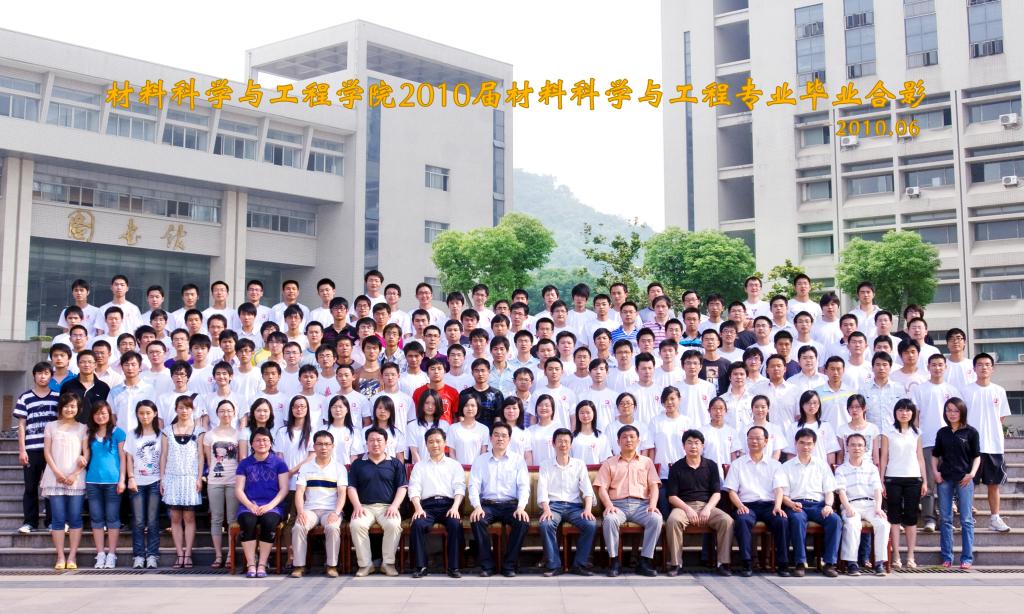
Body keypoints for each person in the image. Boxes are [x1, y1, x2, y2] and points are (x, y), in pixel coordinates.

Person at [594, 425, 663, 577]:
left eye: (632, 437)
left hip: (642, 506)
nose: (628, 440)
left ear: (638, 441)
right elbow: (602, 488)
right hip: (617, 506)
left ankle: (645, 561)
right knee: (610, 519)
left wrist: (652, 505)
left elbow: (654, 486)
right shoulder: (609, 463)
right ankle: (614, 561)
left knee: (656, 519)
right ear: (618, 441)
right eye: (624, 437)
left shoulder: (646, 462)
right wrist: (609, 505)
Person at [664, 429, 734, 577]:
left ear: (702, 446)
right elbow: (672, 497)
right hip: (683, 507)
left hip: (707, 506)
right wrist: (687, 509)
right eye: (689, 443)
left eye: (697, 443)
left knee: (727, 520)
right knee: (673, 520)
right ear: (683, 446)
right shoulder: (677, 467)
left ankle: (723, 563)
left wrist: (707, 508)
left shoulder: (711, 465)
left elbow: (717, 493)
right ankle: (676, 564)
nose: (693, 446)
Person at [776, 428, 841, 577]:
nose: (805, 447)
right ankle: (800, 563)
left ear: (814, 445)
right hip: (796, 505)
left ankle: (829, 563)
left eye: (809, 443)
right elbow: (783, 494)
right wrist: (791, 504)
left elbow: (829, 491)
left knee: (835, 520)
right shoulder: (786, 466)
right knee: (797, 520)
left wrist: (828, 505)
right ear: (795, 443)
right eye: (802, 443)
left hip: (818, 505)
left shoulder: (822, 465)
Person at [724, 426, 789, 577]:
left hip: (769, 505)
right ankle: (746, 563)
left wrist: (778, 506)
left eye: (758, 438)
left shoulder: (775, 465)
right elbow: (731, 490)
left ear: (766, 441)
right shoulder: (737, 464)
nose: (754, 441)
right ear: (746, 441)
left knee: (782, 520)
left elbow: (779, 488)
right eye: (751, 438)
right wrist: (740, 506)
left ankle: (783, 563)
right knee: (742, 520)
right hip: (747, 505)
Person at [469, 422, 531, 577]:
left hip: (511, 505)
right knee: (477, 520)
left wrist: (521, 507)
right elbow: (473, 486)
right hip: (487, 505)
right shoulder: (480, 460)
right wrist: (477, 506)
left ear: (509, 439)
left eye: (504, 436)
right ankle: (487, 566)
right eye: (496, 435)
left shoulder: (518, 460)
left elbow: (524, 486)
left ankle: (509, 565)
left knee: (522, 522)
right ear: (491, 438)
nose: (500, 439)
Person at [961, 353, 1012, 533]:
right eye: (980, 364)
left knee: (994, 484)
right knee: (968, 484)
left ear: (993, 368)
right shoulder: (965, 391)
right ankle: (966, 518)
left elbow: (1001, 417)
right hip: (970, 446)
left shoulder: (999, 391)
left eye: (987, 364)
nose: (984, 367)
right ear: (974, 368)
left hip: (993, 445)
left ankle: (995, 518)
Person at [348, 427, 408, 577]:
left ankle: (388, 564)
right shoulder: (358, 464)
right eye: (372, 440)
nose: (375, 443)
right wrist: (357, 506)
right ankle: (365, 565)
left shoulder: (395, 463)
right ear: (366, 443)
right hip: (364, 507)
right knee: (357, 525)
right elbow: (351, 487)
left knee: (393, 525)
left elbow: (402, 487)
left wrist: (395, 506)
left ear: (386, 443)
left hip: (388, 507)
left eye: (379, 440)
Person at [538, 428, 597, 577]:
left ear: (571, 444)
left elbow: (587, 490)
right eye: (559, 441)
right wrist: (546, 510)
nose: (563, 444)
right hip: (553, 507)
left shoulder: (579, 464)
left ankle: (579, 564)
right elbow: (542, 490)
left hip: (574, 507)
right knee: (546, 524)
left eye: (566, 441)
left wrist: (588, 510)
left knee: (590, 524)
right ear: (553, 444)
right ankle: (554, 566)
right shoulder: (545, 465)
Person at [408, 427, 466, 578]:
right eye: (431, 442)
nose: (435, 445)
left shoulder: (454, 465)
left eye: (438, 441)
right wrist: (418, 508)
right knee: (417, 524)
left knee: (455, 524)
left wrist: (455, 507)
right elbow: (414, 489)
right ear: (426, 444)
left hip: (449, 505)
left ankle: (454, 567)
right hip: (427, 506)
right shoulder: (419, 466)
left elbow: (459, 488)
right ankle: (421, 566)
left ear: (445, 443)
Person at [291, 430, 348, 578]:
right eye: (320, 444)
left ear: (333, 446)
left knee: (332, 527)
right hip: (310, 509)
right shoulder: (306, 467)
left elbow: (342, 493)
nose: (324, 447)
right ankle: (299, 566)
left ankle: (332, 565)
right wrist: (300, 512)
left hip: (331, 509)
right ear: (314, 446)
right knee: (299, 526)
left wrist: (336, 513)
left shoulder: (339, 468)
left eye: (327, 444)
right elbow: (299, 492)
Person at [932, 398, 981, 569]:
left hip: (964, 480)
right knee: (946, 519)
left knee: (966, 519)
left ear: (962, 412)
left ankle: (967, 558)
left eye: (955, 410)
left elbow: (977, 456)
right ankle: (947, 557)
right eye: (948, 410)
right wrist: (936, 472)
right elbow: (935, 455)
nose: (951, 414)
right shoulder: (942, 432)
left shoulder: (971, 432)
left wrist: (972, 474)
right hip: (945, 479)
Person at [41, 394, 89, 569]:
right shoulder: (51, 426)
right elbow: (47, 452)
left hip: (75, 479)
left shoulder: (83, 428)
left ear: (78, 409)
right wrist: (57, 473)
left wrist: (75, 474)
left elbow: (86, 453)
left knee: (75, 517)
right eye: (66, 406)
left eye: (73, 406)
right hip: (55, 477)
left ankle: (72, 556)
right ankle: (60, 557)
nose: (70, 409)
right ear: (61, 408)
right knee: (58, 518)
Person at [879, 399, 928, 569]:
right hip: (892, 478)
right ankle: (896, 556)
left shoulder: (917, 433)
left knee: (911, 517)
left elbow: (920, 458)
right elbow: (884, 458)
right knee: (894, 517)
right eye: (900, 410)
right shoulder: (888, 432)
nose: (904, 413)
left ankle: (911, 556)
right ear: (895, 412)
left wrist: (924, 480)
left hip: (913, 478)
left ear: (913, 413)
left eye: (907, 410)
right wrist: (881, 481)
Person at [235, 427, 290, 578]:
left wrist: (270, 506)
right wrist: (250, 505)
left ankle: (262, 564)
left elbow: (284, 489)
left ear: (271, 443)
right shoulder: (244, 464)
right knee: (247, 522)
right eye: (258, 440)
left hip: (273, 506)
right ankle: (251, 564)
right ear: (252, 443)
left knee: (269, 522)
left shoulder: (279, 463)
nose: (261, 443)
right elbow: (238, 490)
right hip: (249, 505)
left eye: (265, 440)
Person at [835, 432, 890, 576]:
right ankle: (852, 563)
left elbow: (877, 489)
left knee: (883, 524)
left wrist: (878, 507)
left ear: (865, 448)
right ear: (847, 447)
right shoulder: (841, 469)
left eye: (860, 445)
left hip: (871, 505)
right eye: (853, 445)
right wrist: (848, 508)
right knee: (852, 524)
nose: (856, 448)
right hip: (851, 505)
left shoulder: (872, 468)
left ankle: (879, 563)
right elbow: (841, 491)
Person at [160, 395, 205, 569]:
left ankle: (188, 554)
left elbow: (201, 456)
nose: (184, 411)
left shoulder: (199, 431)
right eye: (181, 407)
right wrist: (163, 478)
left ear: (192, 410)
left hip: (190, 477)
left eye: (187, 407)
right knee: (175, 517)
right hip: (172, 476)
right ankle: (179, 554)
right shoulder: (167, 431)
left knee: (189, 517)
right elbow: (164, 455)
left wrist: (199, 477)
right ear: (176, 409)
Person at [15, 362, 60, 534]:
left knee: (51, 487)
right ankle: (30, 522)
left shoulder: (57, 397)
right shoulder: (25, 397)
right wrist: (22, 450)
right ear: (34, 375)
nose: (42, 376)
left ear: (51, 376)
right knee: (30, 487)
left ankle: (51, 522)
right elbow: (21, 425)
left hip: (52, 451)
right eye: (39, 373)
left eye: (46, 373)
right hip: (31, 449)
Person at [84, 401, 126, 569]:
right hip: (93, 481)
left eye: (103, 413)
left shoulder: (118, 432)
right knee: (96, 518)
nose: (100, 416)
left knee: (113, 518)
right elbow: (86, 455)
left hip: (113, 481)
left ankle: (112, 554)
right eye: (97, 413)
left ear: (109, 414)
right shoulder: (89, 433)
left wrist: (122, 479)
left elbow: (123, 458)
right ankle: (100, 553)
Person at [125, 400, 162, 569]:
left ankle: (152, 555)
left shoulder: (161, 435)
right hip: (137, 482)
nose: (145, 416)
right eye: (141, 413)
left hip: (155, 481)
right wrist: (131, 477)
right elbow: (129, 458)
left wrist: (163, 479)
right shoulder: (132, 434)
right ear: (137, 415)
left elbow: (163, 457)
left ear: (155, 414)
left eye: (148, 413)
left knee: (153, 520)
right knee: (139, 521)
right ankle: (139, 555)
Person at [204, 399, 240, 568]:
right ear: (217, 413)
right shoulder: (209, 435)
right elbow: (208, 459)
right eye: (222, 411)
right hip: (214, 481)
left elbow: (241, 459)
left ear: (234, 413)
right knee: (216, 518)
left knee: (232, 519)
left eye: (229, 411)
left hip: (233, 480)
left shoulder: (239, 434)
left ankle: (231, 554)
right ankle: (218, 555)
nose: (226, 414)